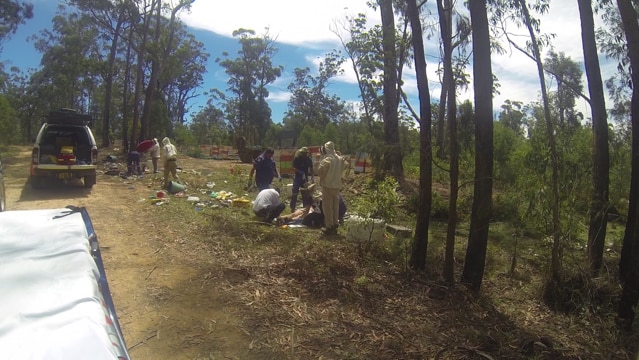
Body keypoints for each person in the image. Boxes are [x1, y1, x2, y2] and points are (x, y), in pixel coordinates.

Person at [317, 141, 349, 235]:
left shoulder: (328, 159)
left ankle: (329, 226)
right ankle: (335, 223)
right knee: (335, 206)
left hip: (327, 186)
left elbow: (320, 171)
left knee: (327, 207)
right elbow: (346, 165)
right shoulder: (339, 158)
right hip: (336, 186)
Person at [290, 146, 314, 212]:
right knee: (295, 192)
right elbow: (293, 167)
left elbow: (311, 168)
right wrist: (299, 172)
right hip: (297, 177)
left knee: (305, 193)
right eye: (303, 153)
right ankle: (292, 208)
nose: (305, 154)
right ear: (301, 153)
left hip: (305, 178)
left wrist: (312, 176)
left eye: (306, 153)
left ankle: (305, 208)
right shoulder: (297, 159)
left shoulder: (309, 160)